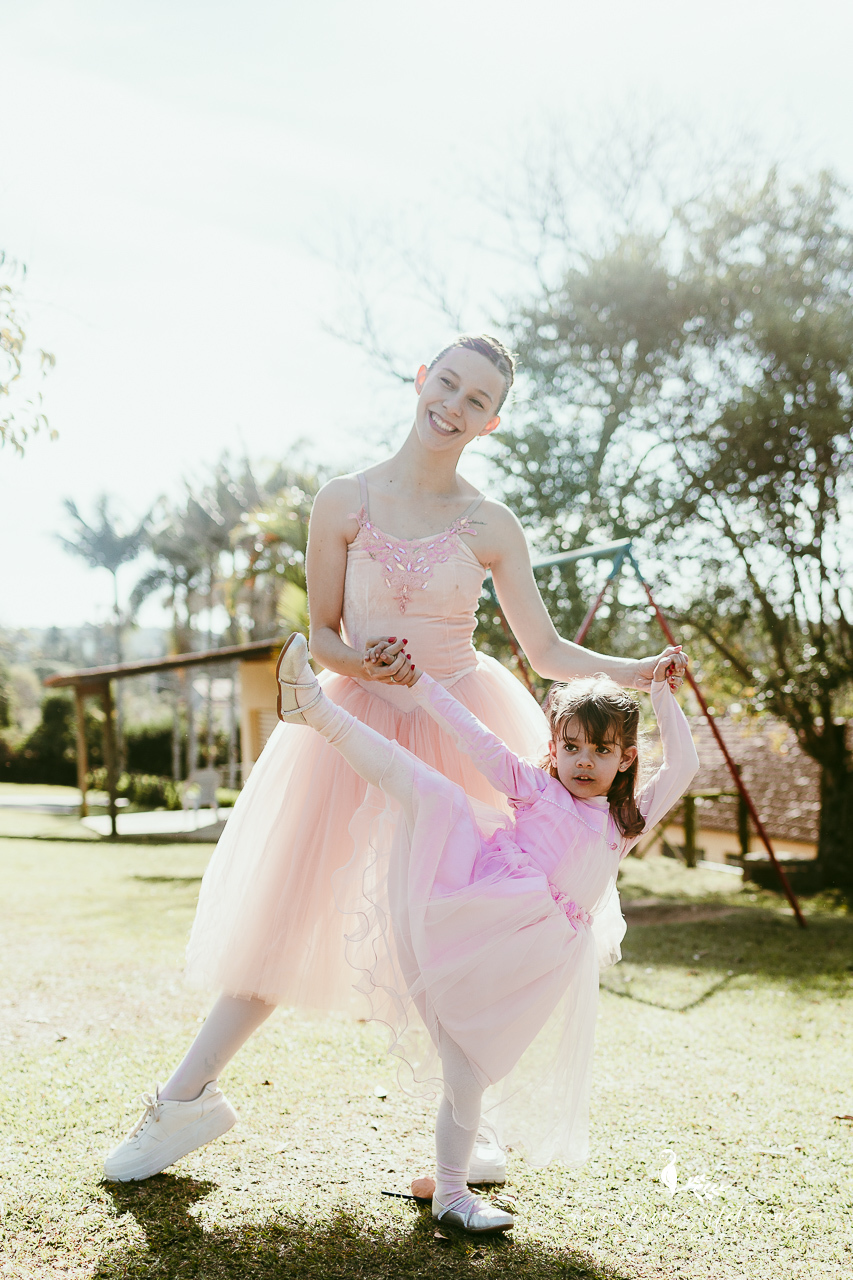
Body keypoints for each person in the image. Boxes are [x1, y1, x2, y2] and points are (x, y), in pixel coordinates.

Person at [103, 334, 687, 1184]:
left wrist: (635, 671)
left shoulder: (491, 522)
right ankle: (183, 1102)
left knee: (457, 936)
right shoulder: (344, 499)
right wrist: (363, 664)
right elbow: (323, 636)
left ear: (492, 421)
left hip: (463, 728)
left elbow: (548, 648)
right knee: (282, 915)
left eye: (476, 399)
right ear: (421, 381)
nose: (453, 404)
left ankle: (472, 1133)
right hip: (359, 724)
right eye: (445, 383)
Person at [272, 632, 698, 1233]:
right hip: (481, 909)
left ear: (625, 758)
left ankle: (449, 1182)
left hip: (536, 958)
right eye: (571, 746)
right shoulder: (536, 787)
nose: (583, 761)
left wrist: (660, 692)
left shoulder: (624, 822)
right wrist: (419, 683)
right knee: (434, 792)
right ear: (554, 745)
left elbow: (685, 765)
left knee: (468, 1071)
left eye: (601, 751)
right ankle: (313, 708)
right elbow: (472, 734)